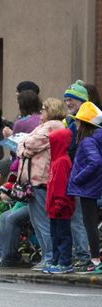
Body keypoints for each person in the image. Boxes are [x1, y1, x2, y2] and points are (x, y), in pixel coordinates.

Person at [16, 97, 66, 271]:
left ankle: (49, 256)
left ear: (51, 110)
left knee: (43, 223)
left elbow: (29, 143)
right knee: (37, 223)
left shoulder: (52, 126)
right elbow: (25, 146)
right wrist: (23, 146)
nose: (40, 113)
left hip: (40, 179)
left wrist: (22, 145)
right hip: (34, 180)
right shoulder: (45, 126)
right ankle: (47, 256)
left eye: (44, 109)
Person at [67, 101, 102, 273]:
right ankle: (95, 258)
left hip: (88, 188)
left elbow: (95, 162)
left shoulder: (87, 141)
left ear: (85, 124)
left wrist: (79, 179)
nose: (76, 123)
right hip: (93, 187)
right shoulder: (96, 138)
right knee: (91, 223)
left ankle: (95, 260)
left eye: (78, 121)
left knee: (90, 223)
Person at [62, 80, 93, 272]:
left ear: (82, 100)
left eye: (71, 99)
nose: (67, 102)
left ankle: (84, 255)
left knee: (78, 218)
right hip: (76, 176)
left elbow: (90, 156)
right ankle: (82, 254)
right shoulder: (71, 122)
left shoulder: (87, 123)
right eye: (66, 99)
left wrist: (79, 176)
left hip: (84, 179)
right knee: (77, 217)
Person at [43, 128, 75, 274]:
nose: (50, 146)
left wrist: (58, 204)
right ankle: (56, 260)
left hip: (61, 207)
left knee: (63, 236)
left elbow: (61, 187)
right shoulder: (56, 160)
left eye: (52, 143)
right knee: (55, 236)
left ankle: (65, 262)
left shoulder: (62, 161)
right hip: (54, 208)